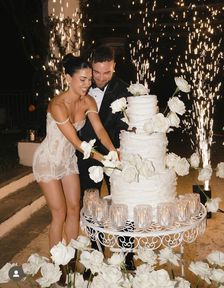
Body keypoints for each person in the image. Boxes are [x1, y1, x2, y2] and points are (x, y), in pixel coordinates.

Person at [32, 53, 117, 251]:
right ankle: (57, 267)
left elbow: (100, 129)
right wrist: (105, 160)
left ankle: (70, 259)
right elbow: (78, 143)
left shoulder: (88, 102)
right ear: (68, 78)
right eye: (82, 79)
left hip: (68, 160)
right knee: (59, 213)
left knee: (74, 209)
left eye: (89, 79)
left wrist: (113, 150)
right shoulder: (57, 105)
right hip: (48, 160)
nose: (87, 84)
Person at [77, 45, 135, 270]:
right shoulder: (81, 84)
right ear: (91, 66)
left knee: (122, 204)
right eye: (97, 72)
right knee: (91, 206)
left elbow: (126, 125)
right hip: (86, 157)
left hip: (115, 156)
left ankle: (127, 257)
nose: (100, 78)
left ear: (114, 67)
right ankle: (97, 254)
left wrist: (118, 153)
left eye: (106, 73)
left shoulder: (124, 89)